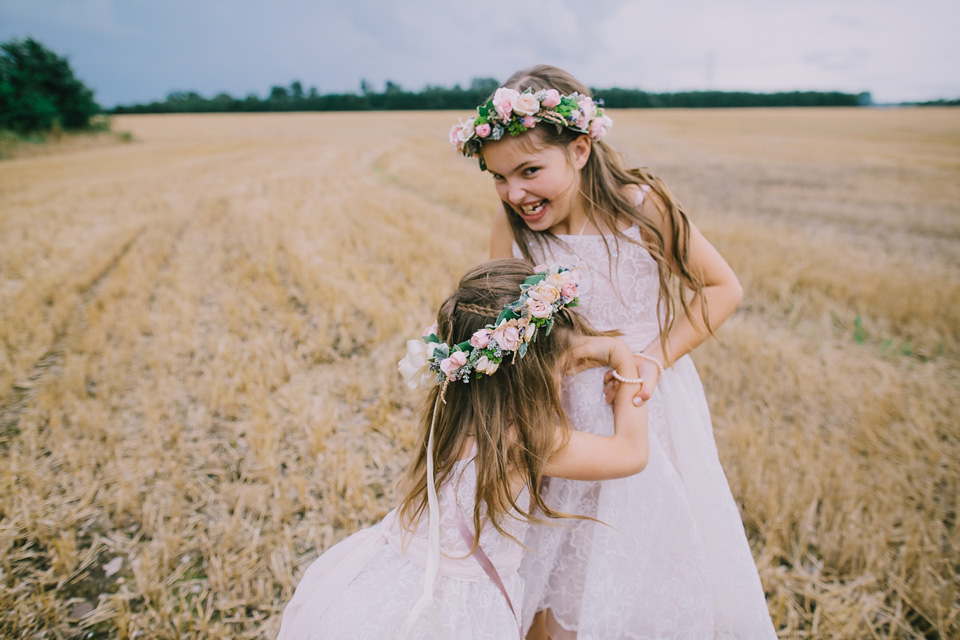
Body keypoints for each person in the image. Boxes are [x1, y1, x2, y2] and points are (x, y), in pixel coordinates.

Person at [450, 65, 776, 638]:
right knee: (548, 569)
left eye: (529, 171)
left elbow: (723, 289)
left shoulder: (639, 206)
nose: (515, 193)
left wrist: (651, 356)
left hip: (642, 401)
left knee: (644, 558)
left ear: (579, 149)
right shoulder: (515, 228)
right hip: (560, 413)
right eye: (499, 178)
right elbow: (514, 323)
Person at [276, 259, 649, 639]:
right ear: (533, 372)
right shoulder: (527, 440)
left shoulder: (452, 406)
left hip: (390, 567)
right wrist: (622, 357)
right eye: (562, 366)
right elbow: (631, 452)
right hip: (456, 600)